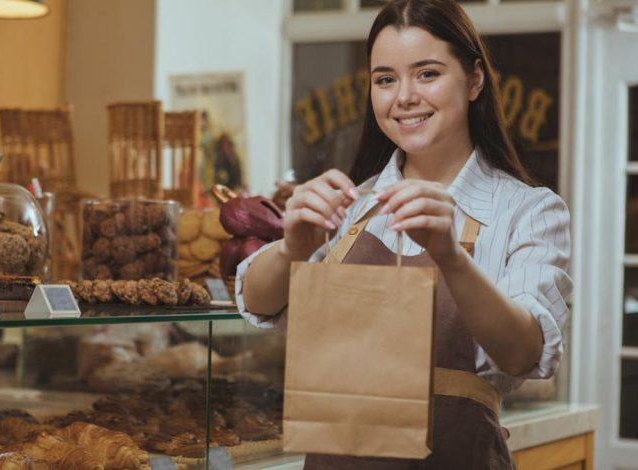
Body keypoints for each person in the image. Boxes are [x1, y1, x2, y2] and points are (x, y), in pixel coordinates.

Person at [236, 0, 571, 468]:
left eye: (427, 73)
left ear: (475, 79)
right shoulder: (350, 205)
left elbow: (523, 353)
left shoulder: (529, 210)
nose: (404, 97)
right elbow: (258, 301)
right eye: (385, 79)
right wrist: (294, 247)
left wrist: (451, 257)